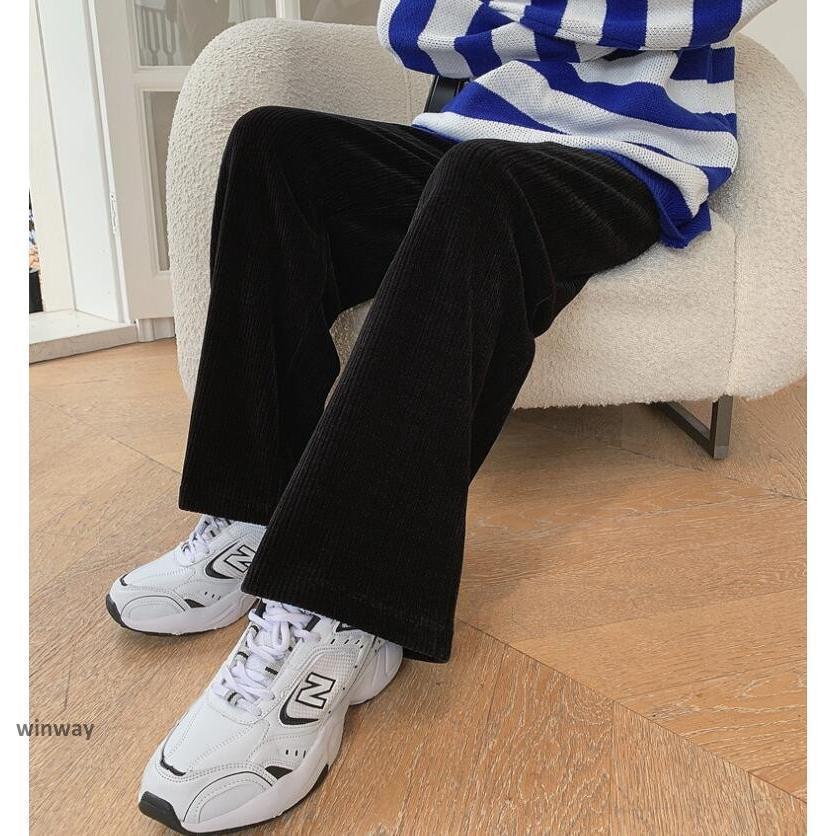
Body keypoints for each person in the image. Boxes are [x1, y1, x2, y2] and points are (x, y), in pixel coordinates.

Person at [106, 1, 774, 831]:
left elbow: (696, 14)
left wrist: (506, 17)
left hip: (630, 158)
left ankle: (338, 607)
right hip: (466, 136)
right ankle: (256, 509)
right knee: (274, 144)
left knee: (483, 185)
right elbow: (412, 28)